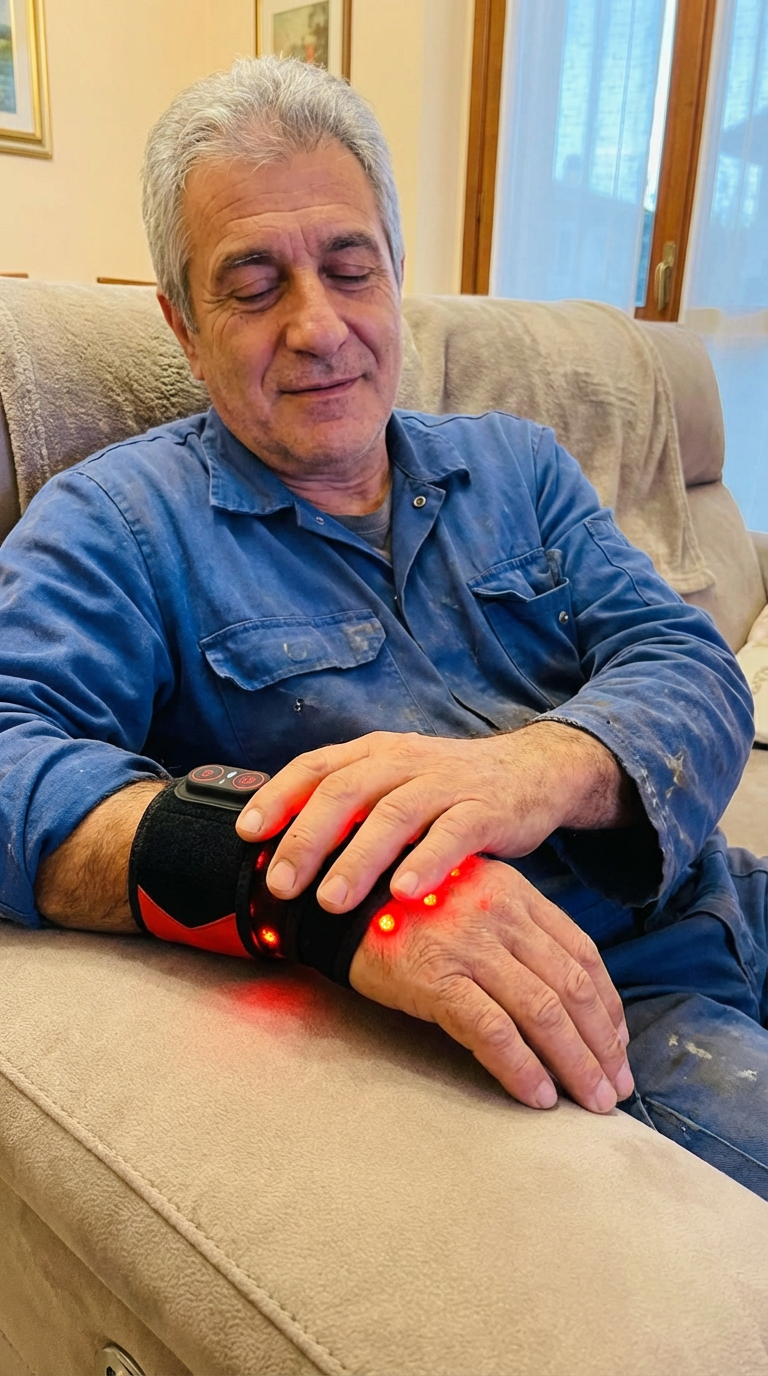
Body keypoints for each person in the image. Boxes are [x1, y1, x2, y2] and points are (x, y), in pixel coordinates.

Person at [0, 57, 765, 1195]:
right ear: (185, 327)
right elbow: (10, 761)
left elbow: (687, 660)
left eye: (351, 268)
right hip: (590, 992)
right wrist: (319, 901)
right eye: (253, 285)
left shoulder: (519, 466)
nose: (319, 327)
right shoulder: (118, 525)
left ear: (396, 277)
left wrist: (538, 766)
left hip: (721, 884)